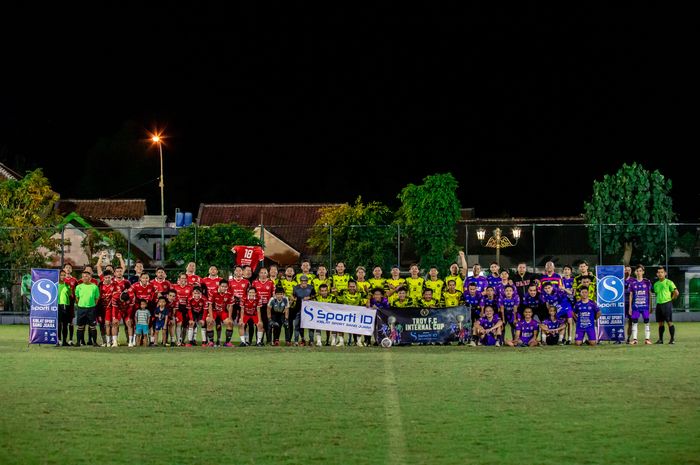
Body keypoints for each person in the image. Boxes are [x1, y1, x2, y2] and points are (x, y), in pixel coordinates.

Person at [653, 266, 679, 344]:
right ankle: (660, 340)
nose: (660, 274)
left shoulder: (669, 282)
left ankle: (672, 339)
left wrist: (671, 299)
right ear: (657, 274)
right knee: (660, 323)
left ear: (665, 273)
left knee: (669, 322)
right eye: (659, 272)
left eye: (662, 272)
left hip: (667, 304)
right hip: (659, 305)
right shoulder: (656, 284)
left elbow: (676, 292)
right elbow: (657, 294)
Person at [628, 265, 653, 345]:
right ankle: (635, 339)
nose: (639, 272)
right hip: (636, 306)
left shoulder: (647, 282)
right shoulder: (632, 283)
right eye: (637, 271)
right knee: (634, 322)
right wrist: (630, 308)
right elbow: (631, 295)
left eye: (640, 271)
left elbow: (650, 294)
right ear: (635, 272)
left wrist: (650, 306)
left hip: (645, 306)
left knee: (647, 322)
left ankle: (647, 339)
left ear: (643, 272)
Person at [74, 270, 100, 346]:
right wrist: (80, 304)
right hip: (81, 308)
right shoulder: (79, 287)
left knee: (92, 326)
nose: (85, 278)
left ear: (90, 277)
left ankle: (94, 342)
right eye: (83, 276)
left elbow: (97, 298)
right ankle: (78, 342)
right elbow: (77, 297)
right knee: (80, 326)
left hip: (91, 309)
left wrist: (93, 305)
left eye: (86, 276)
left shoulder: (94, 287)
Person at [207, 279, 234, 347]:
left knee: (230, 323)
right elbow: (209, 305)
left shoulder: (230, 293)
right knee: (209, 321)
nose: (224, 288)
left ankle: (227, 342)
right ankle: (211, 342)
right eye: (222, 286)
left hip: (223, 312)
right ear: (219, 286)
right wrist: (211, 317)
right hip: (214, 311)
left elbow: (230, 306)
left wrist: (230, 318)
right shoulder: (213, 292)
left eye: (225, 287)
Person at [336, 280, 363, 346]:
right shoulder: (343, 293)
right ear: (348, 287)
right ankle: (341, 341)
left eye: (353, 286)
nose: (352, 288)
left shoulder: (360, 294)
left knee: (358, 327)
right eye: (350, 286)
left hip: (356, 314)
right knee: (341, 326)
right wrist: (335, 294)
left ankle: (359, 341)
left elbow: (364, 302)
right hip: (345, 313)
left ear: (356, 286)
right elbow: (339, 300)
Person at [108, 282, 135, 347]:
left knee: (129, 324)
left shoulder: (132, 296)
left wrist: (128, 317)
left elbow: (130, 309)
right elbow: (114, 308)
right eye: (123, 301)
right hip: (118, 310)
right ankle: (114, 342)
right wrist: (114, 318)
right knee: (115, 324)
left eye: (126, 302)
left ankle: (130, 342)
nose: (124, 303)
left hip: (127, 310)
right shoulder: (115, 296)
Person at [252, 268, 275, 344]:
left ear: (267, 274)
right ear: (259, 274)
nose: (263, 274)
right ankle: (259, 341)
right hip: (258, 307)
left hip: (267, 306)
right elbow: (252, 294)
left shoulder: (271, 282)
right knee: (258, 323)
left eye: (264, 273)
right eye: (261, 273)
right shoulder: (255, 282)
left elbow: (273, 295)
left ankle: (269, 341)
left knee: (267, 323)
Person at [290, 275, 315, 346]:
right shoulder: (296, 288)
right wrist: (292, 299)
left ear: (307, 281)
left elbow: (314, 296)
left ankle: (311, 340)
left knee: (310, 326)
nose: (304, 283)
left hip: (309, 310)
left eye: (305, 281)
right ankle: (296, 341)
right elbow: (293, 296)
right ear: (300, 281)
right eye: (302, 281)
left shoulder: (311, 288)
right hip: (298, 309)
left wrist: (309, 297)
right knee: (297, 326)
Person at [62, 264, 79, 345]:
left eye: (69, 268)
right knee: (63, 322)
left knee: (71, 322)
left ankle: (71, 340)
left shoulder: (75, 280)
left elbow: (76, 292)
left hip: (71, 304)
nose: (68, 269)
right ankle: (63, 340)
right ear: (64, 269)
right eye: (66, 268)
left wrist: (77, 301)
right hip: (62, 304)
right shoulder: (61, 280)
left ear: (71, 270)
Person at [57, 270, 72, 346]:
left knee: (65, 324)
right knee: (59, 324)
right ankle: (58, 340)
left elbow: (70, 294)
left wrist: (69, 289)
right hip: (58, 305)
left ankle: (64, 341)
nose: (62, 277)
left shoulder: (67, 284)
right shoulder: (55, 285)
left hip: (66, 305)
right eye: (61, 275)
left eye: (64, 275)